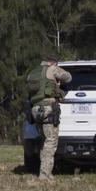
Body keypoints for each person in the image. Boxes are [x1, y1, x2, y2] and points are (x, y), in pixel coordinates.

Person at [26, 52, 71, 181]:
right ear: (55, 62)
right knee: (51, 142)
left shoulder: (33, 72)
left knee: (44, 141)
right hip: (48, 108)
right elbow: (68, 77)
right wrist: (57, 82)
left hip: (35, 109)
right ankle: (44, 175)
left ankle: (45, 171)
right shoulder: (53, 69)